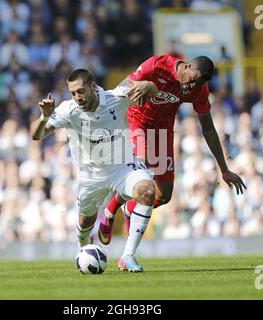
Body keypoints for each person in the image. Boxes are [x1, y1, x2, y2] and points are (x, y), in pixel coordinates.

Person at [98, 55, 247, 244]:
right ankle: (110, 211)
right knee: (142, 163)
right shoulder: (157, 66)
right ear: (186, 66)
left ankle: (128, 209)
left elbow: (208, 129)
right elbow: (121, 88)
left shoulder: (199, 89)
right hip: (137, 122)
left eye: (197, 84)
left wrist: (224, 169)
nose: (192, 87)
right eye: (192, 80)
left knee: (163, 195)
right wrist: (137, 86)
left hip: (162, 131)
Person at [31, 69, 157, 272]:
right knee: (85, 221)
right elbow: (36, 135)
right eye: (73, 93)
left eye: (80, 91)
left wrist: (150, 86)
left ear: (93, 86)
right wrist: (45, 117)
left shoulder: (118, 97)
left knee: (148, 191)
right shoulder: (68, 110)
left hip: (123, 167)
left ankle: (128, 256)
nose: (77, 97)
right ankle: (82, 249)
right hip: (90, 176)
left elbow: (153, 90)